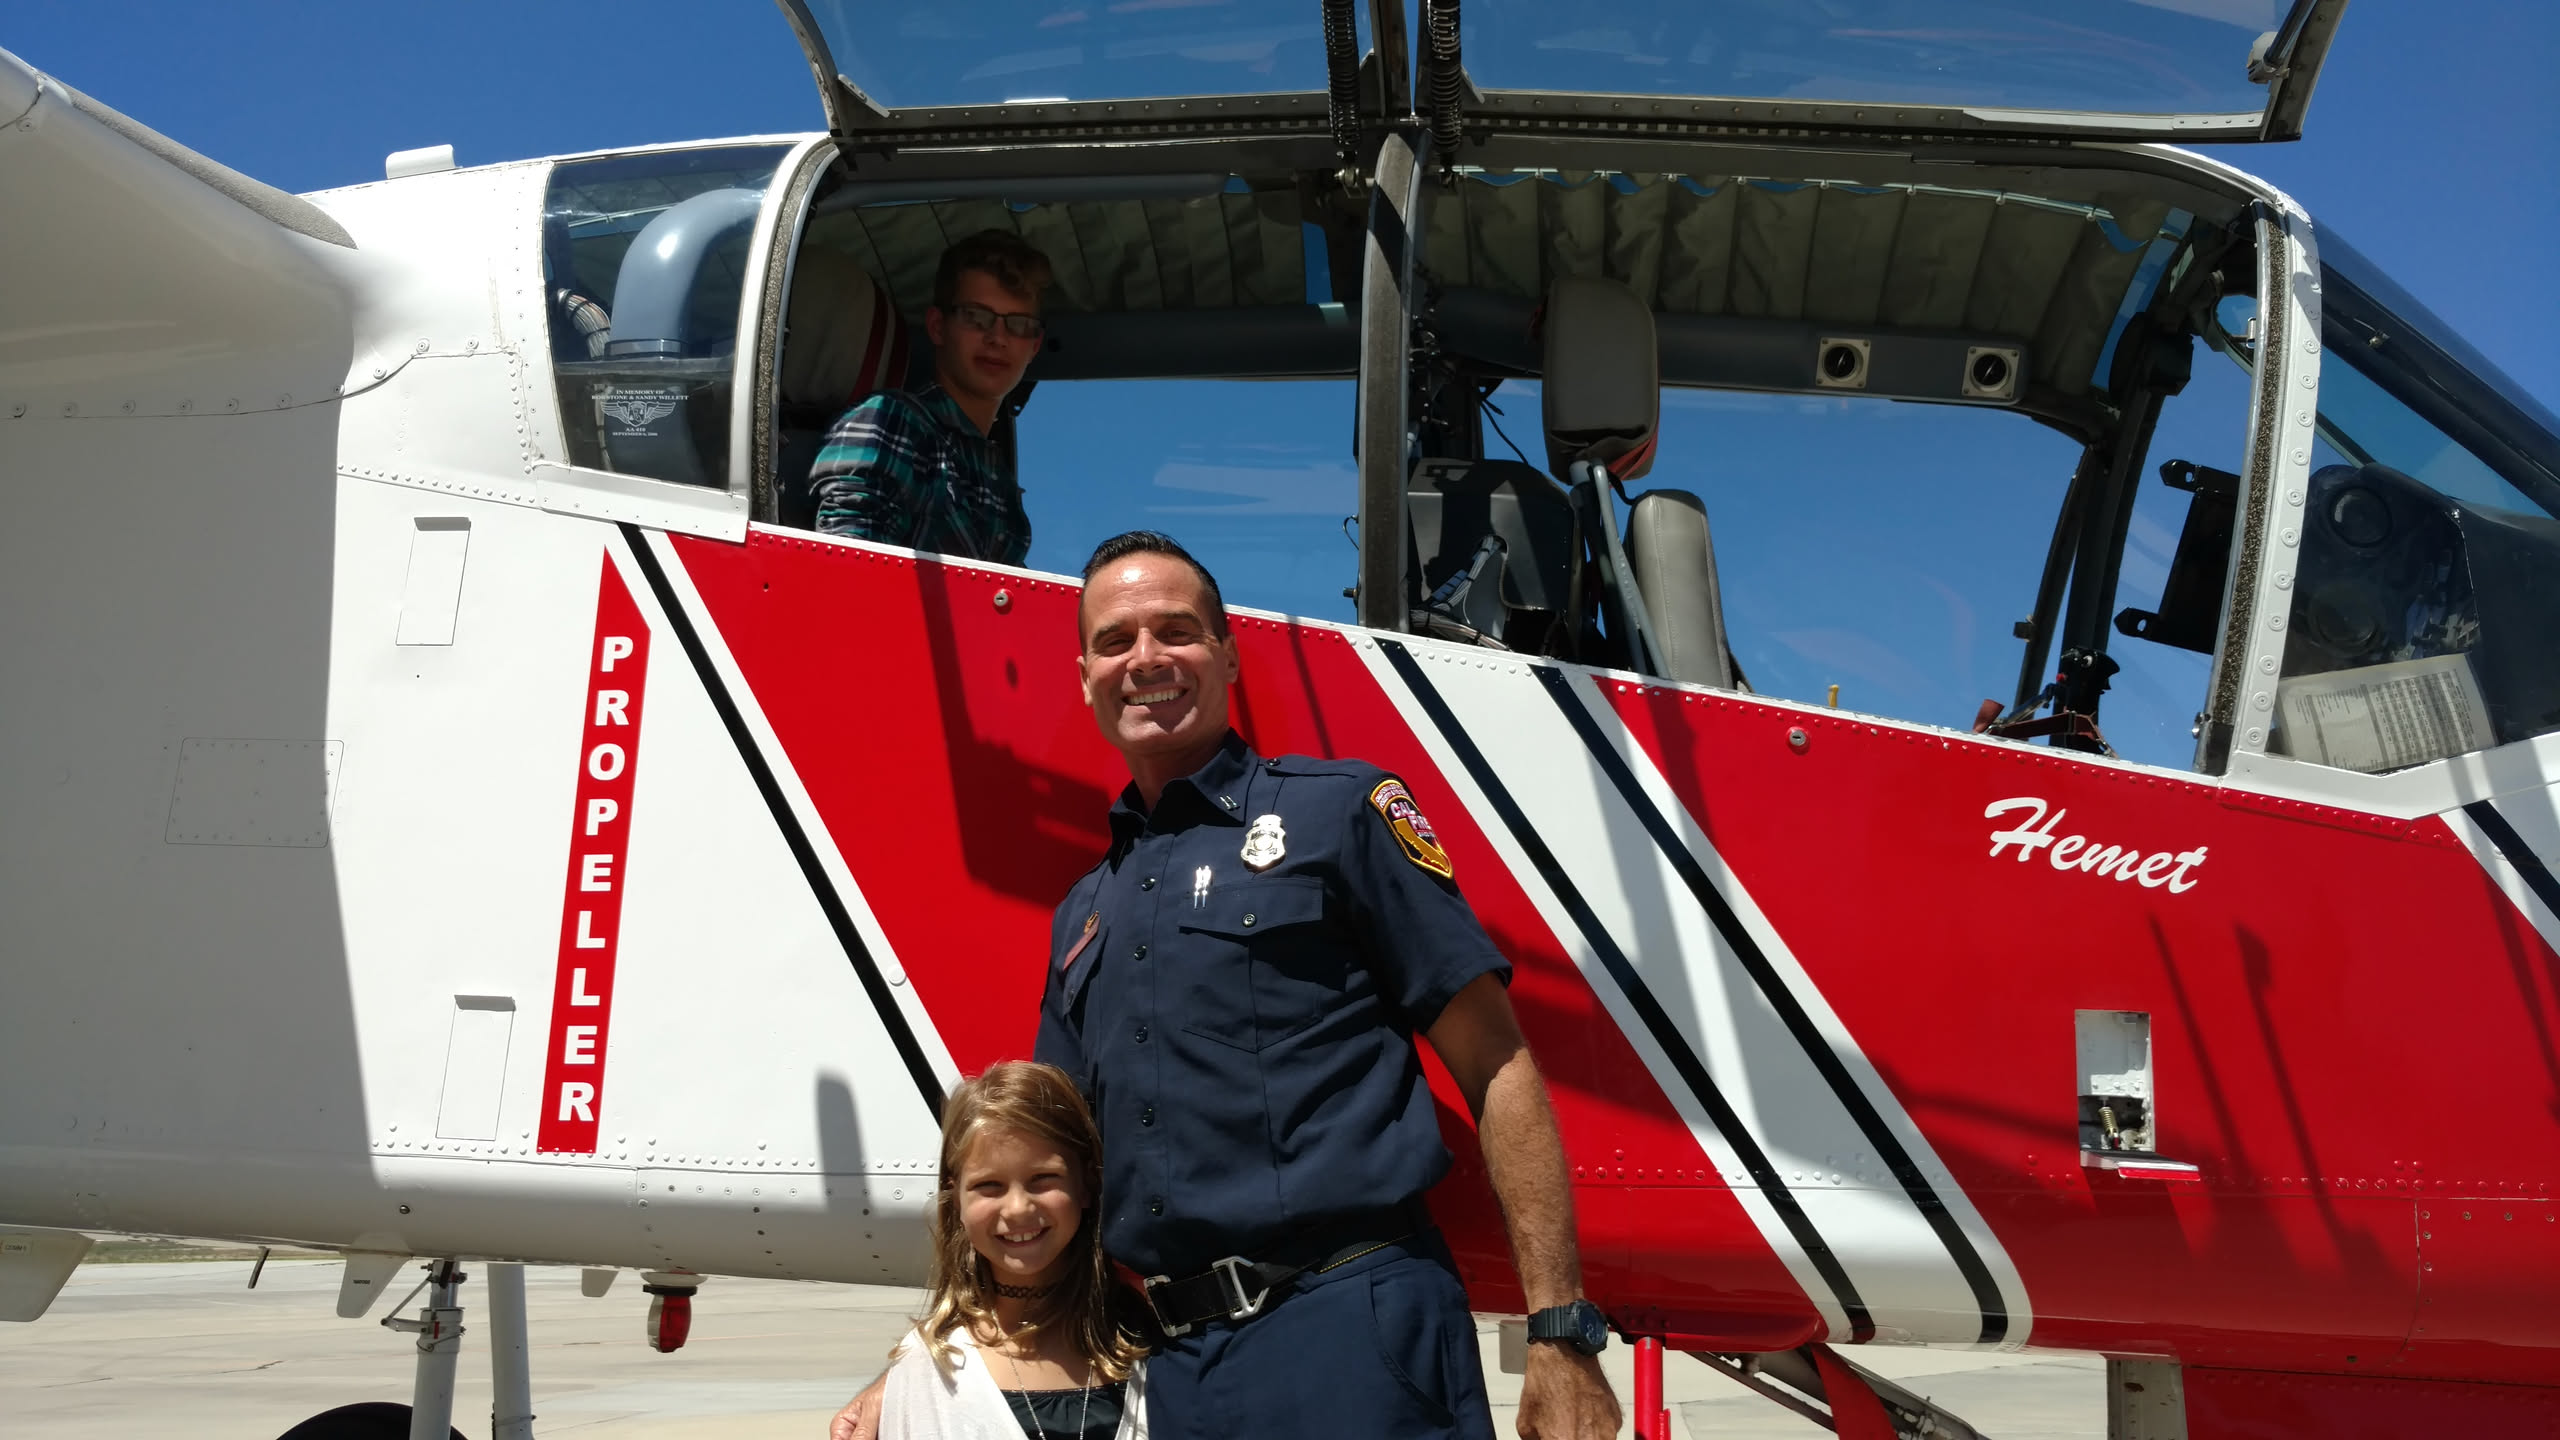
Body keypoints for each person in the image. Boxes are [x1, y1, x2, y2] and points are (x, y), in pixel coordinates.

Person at [831, 532, 1622, 1440]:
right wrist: (924, 1360)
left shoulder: (1342, 814)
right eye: (1115, 641)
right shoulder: (1086, 911)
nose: (1146, 659)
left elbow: (1496, 1063)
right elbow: (1039, 1167)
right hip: (1171, 1367)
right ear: (1085, 677)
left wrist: (1562, 1332)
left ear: (1230, 654)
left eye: (1177, 631)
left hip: (1351, 1336)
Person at [875, 1061, 1151, 1440]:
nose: (1018, 1208)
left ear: (1086, 1185)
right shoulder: (930, 1368)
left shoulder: (1148, 1345)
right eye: (989, 1186)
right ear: (956, 1198)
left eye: (1043, 1179)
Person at [807, 229, 1051, 562]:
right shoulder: (892, 419)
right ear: (938, 326)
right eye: (976, 317)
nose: (998, 338)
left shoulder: (993, 471)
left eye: (1018, 325)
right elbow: (850, 565)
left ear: (1034, 346)